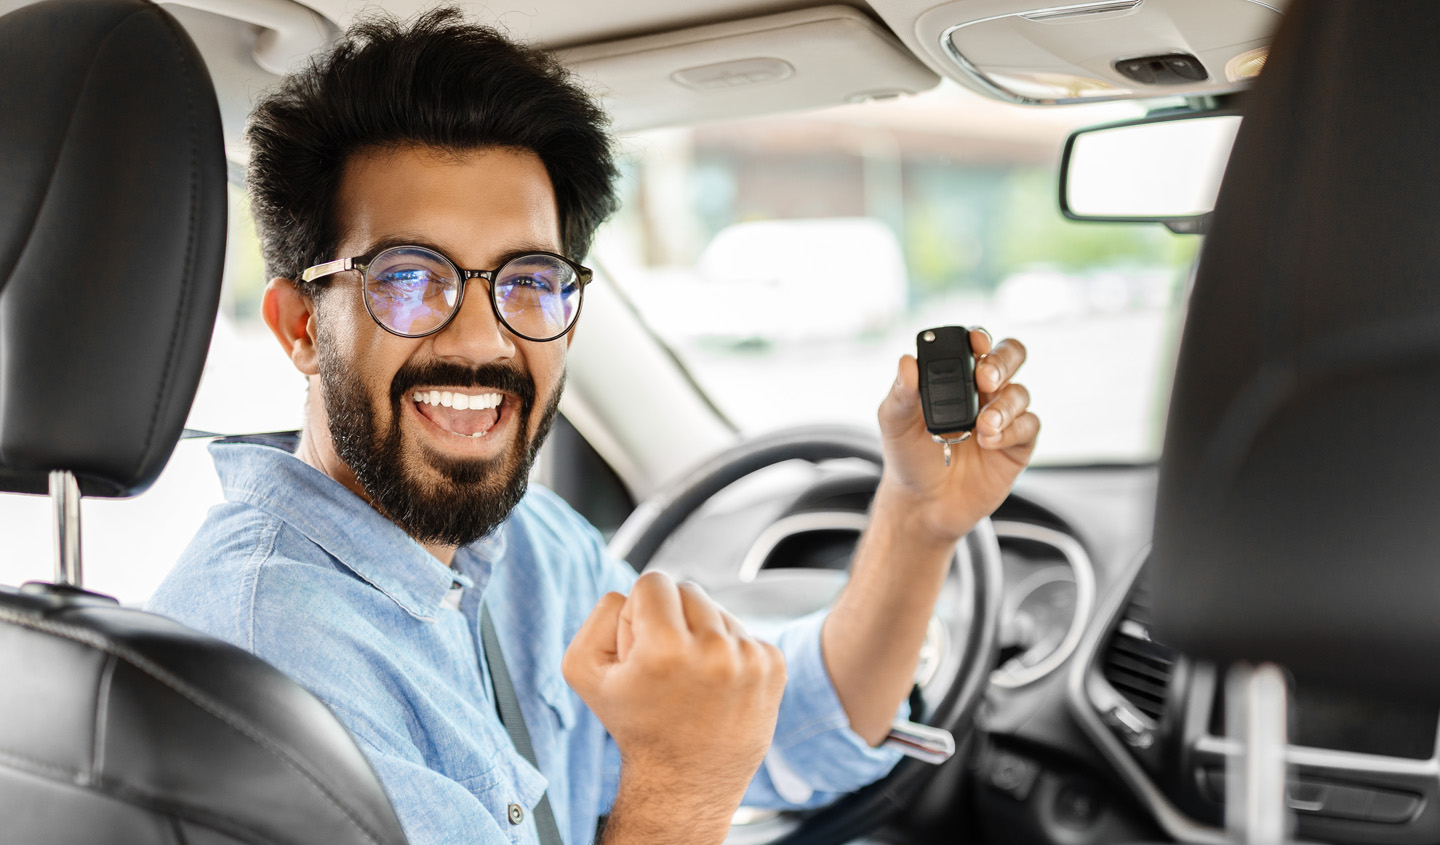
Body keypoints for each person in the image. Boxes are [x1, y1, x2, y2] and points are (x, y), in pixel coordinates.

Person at [148, 8, 1040, 845]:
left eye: (529, 278)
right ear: (302, 328)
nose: (483, 338)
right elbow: (705, 751)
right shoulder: (264, 661)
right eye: (410, 278)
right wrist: (679, 784)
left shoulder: (525, 547)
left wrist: (919, 518)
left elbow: (793, 721)